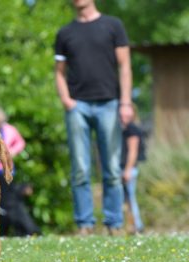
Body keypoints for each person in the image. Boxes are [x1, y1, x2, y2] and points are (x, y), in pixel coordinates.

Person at [54, 0, 134, 236]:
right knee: (80, 168)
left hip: (109, 103)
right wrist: (67, 100)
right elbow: (59, 72)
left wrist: (126, 102)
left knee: (111, 168)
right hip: (77, 107)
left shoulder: (113, 26)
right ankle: (85, 224)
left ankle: (114, 223)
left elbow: (126, 66)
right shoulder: (65, 33)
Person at [0, 103, 41, 236]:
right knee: (4, 205)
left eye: (1, 122)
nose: (0, 124)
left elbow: (20, 143)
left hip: (8, 171)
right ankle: (20, 231)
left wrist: (11, 152)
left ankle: (26, 231)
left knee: (9, 204)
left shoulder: (10, 130)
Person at [121, 105, 145, 235]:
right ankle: (131, 225)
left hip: (128, 169)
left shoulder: (132, 129)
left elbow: (133, 152)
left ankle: (137, 225)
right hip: (125, 169)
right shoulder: (125, 129)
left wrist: (127, 170)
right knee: (126, 199)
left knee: (130, 199)